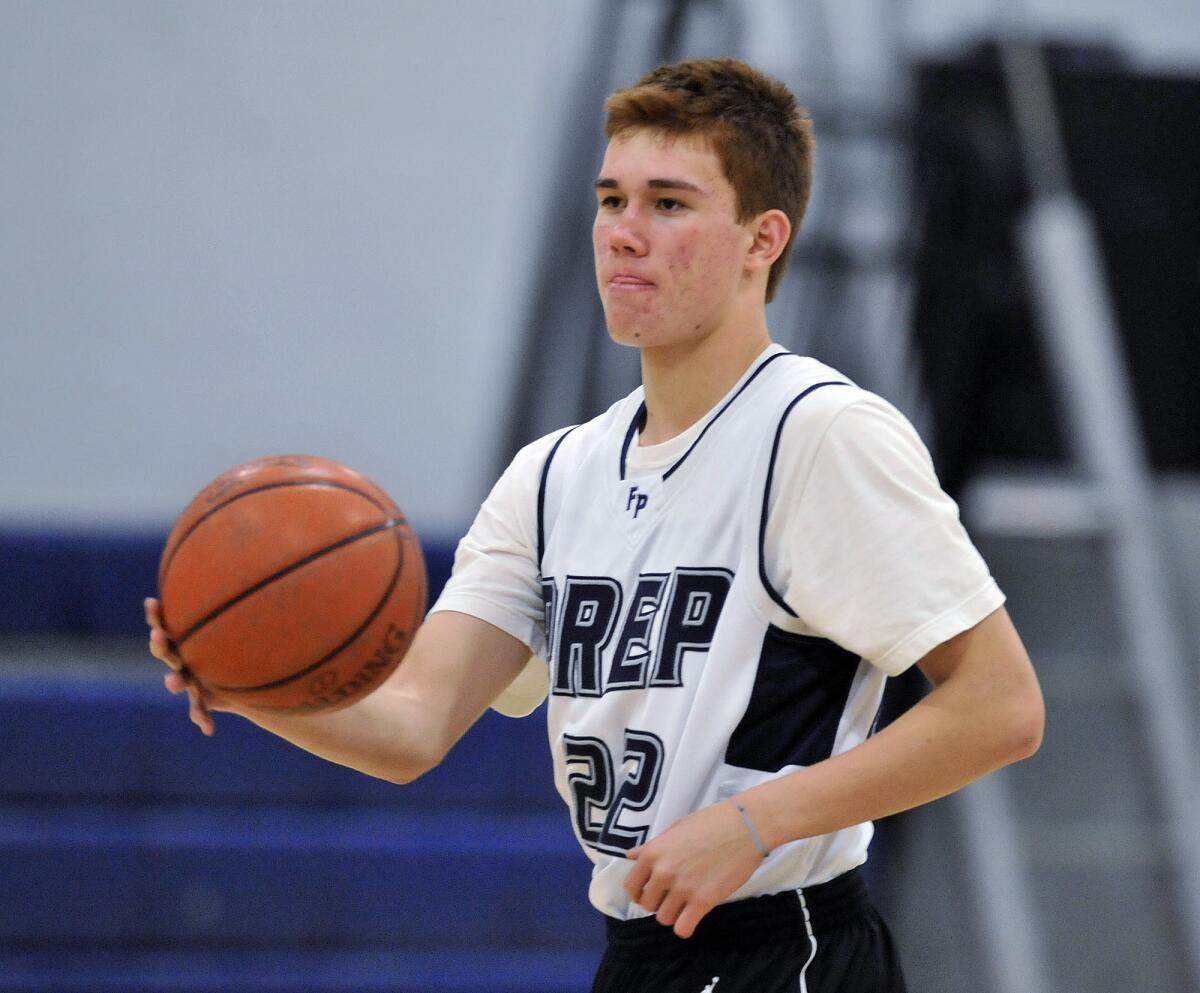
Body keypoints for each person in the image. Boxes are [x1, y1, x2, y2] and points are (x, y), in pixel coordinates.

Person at [147, 57, 1044, 993]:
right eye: (612, 200)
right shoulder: (552, 475)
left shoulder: (817, 435)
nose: (624, 234)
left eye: (668, 204)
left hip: (789, 947)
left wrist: (757, 822)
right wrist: (253, 679)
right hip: (639, 953)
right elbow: (412, 726)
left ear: (761, 239)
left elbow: (1000, 705)